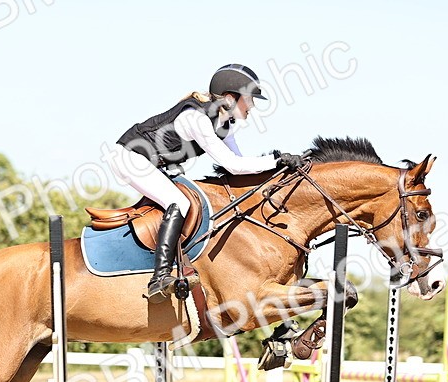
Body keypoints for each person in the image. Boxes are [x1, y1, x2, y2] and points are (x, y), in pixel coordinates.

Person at [108, 64, 304, 302]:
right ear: (230, 98)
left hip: (154, 163)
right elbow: (232, 165)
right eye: (249, 99)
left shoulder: (225, 125)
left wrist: (279, 167)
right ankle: (159, 278)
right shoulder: (197, 118)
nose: (252, 106)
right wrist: (276, 159)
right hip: (129, 157)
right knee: (179, 202)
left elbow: (239, 166)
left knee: (189, 199)